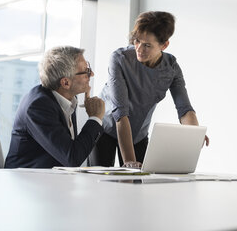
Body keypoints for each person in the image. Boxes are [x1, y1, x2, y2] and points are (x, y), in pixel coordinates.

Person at [88, 11, 209, 168]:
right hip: (106, 128)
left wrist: (194, 134)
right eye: (137, 41)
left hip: (138, 134)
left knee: (140, 185)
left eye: (147, 45)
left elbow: (185, 109)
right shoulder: (119, 59)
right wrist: (129, 161)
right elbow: (121, 113)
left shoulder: (171, 67)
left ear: (164, 45)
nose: (139, 48)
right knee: (101, 183)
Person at [5, 46, 105, 168]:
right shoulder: (38, 107)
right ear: (65, 83)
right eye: (86, 71)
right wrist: (95, 118)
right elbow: (72, 158)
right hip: (26, 182)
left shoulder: (69, 99)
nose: (92, 74)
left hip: (53, 179)